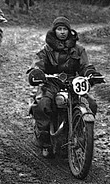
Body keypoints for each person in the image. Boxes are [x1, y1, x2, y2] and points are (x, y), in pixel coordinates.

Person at [28, 16, 103, 156]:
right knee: (42, 105)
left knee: (91, 104)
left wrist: (91, 74)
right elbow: (37, 63)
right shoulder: (46, 49)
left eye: (65, 29)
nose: (62, 32)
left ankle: (81, 133)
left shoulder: (78, 49)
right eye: (59, 29)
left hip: (72, 83)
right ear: (54, 31)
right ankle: (44, 140)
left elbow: (85, 65)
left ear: (69, 31)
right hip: (51, 83)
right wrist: (36, 72)